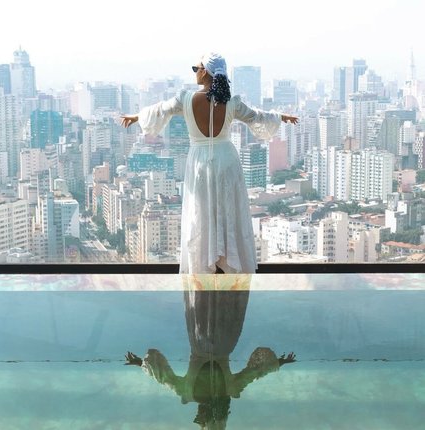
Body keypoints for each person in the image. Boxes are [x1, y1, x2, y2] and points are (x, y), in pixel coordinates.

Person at [121, 53, 298, 274]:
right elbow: (257, 116)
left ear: (206, 72)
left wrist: (136, 117)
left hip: (199, 163)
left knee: (200, 214)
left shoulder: (186, 99)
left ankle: (204, 265)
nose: (195, 72)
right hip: (227, 161)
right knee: (229, 211)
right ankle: (228, 263)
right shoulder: (231, 102)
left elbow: (160, 110)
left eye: (196, 68)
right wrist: (281, 117)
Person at [125, 274, 296, 429]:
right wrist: (139, 362)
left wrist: (280, 362)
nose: (197, 417)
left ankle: (216, 267)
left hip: (220, 338)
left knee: (212, 295)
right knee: (204, 296)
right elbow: (162, 376)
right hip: (210, 337)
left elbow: (256, 372)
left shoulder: (219, 391)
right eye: (200, 420)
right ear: (208, 417)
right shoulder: (194, 392)